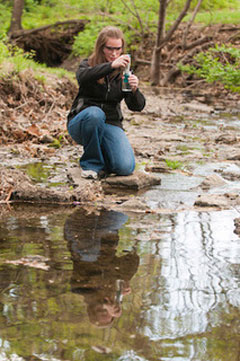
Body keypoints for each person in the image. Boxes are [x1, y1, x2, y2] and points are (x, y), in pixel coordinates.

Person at [67, 26, 146, 180]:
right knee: (95, 114)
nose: (114, 53)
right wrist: (111, 66)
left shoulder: (124, 71)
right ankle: (91, 165)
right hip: (83, 123)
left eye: (118, 49)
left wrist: (135, 90)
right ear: (101, 47)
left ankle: (103, 157)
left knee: (125, 167)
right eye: (110, 49)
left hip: (110, 124)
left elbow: (137, 106)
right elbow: (82, 78)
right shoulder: (88, 65)